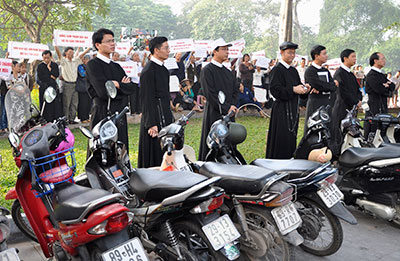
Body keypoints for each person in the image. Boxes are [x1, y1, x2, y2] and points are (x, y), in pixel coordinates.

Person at [86, 28, 135, 152]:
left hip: (119, 114)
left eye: (113, 41)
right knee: (102, 151)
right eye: (108, 41)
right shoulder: (93, 65)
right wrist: (121, 88)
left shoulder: (117, 66)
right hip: (102, 113)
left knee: (120, 151)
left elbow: (131, 88)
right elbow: (103, 93)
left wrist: (117, 85)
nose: (112, 44)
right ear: (98, 45)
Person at [265, 41, 310, 159]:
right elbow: (275, 91)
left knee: (291, 138)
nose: (292, 55)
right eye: (289, 52)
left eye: (294, 53)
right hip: (281, 110)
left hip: (293, 109)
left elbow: (298, 87)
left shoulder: (293, 70)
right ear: (281, 53)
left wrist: (305, 89)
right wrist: (293, 89)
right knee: (281, 139)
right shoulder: (277, 69)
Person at [198, 38, 239, 161]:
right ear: (214, 51)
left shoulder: (227, 72)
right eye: (224, 49)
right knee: (213, 145)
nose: (227, 52)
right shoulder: (207, 70)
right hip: (214, 113)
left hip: (229, 113)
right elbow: (210, 94)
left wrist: (232, 106)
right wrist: (226, 108)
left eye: (228, 49)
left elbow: (234, 91)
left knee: (229, 144)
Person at [138, 36, 174, 168]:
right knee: (154, 152)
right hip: (154, 117)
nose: (168, 51)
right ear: (156, 50)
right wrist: (151, 123)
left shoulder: (163, 69)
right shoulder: (148, 71)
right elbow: (146, 98)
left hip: (165, 114)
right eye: (166, 48)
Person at [330, 49, 362, 155]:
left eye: (355, 56)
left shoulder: (351, 74)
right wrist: (355, 102)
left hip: (352, 107)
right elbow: (343, 92)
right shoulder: (339, 73)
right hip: (342, 107)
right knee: (340, 131)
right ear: (345, 58)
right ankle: (337, 154)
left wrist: (359, 100)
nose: (355, 59)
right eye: (353, 56)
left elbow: (358, 89)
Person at [303, 45, 338, 135]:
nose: (326, 56)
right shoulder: (310, 71)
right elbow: (318, 85)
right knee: (313, 129)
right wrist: (330, 85)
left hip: (327, 102)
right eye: (324, 54)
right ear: (316, 56)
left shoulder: (325, 70)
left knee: (327, 129)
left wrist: (329, 86)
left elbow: (333, 87)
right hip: (315, 102)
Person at [55, 46, 90, 124]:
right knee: (66, 103)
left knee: (74, 102)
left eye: (72, 52)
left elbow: (81, 55)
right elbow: (58, 54)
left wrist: (88, 48)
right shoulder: (64, 61)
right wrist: (55, 44)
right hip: (67, 84)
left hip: (75, 84)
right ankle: (65, 119)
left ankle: (72, 119)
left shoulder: (75, 61)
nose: (71, 53)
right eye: (70, 52)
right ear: (66, 53)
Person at [363, 52, 395, 139]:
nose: (385, 61)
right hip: (374, 105)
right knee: (373, 127)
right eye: (383, 59)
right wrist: (386, 87)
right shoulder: (371, 75)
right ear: (375, 61)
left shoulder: (381, 74)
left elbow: (393, 86)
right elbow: (379, 89)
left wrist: (387, 86)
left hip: (383, 104)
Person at [37, 50, 63, 122]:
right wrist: (50, 75)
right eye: (44, 58)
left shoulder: (54, 65)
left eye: (48, 58)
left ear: (51, 57)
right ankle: (46, 120)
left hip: (53, 87)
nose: (46, 59)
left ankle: (55, 119)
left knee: (55, 104)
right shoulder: (40, 66)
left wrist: (50, 70)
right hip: (44, 88)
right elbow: (41, 77)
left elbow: (56, 75)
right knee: (46, 105)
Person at [75, 55, 91, 123]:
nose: (88, 61)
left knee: (88, 103)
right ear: (83, 60)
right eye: (87, 59)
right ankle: (82, 118)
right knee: (83, 103)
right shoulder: (80, 66)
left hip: (88, 87)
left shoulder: (90, 67)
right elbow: (83, 74)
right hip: (82, 88)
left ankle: (87, 117)